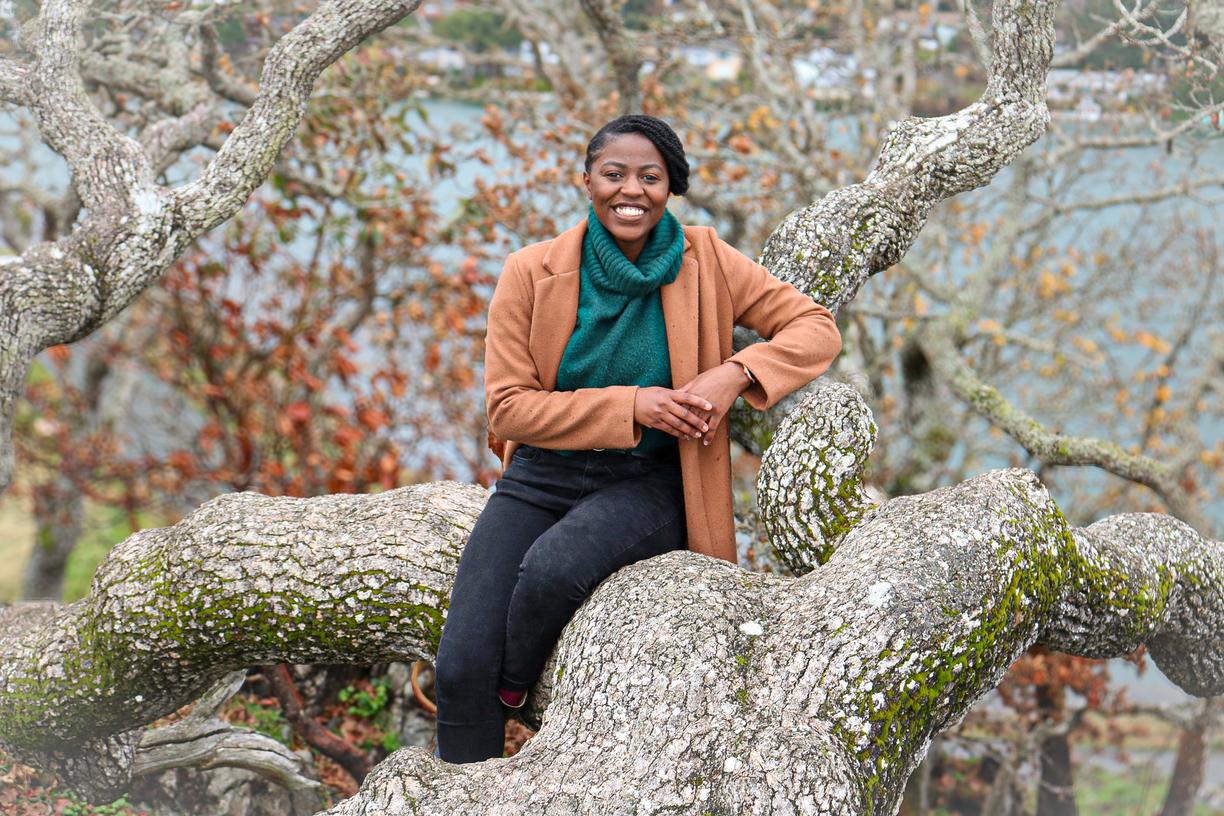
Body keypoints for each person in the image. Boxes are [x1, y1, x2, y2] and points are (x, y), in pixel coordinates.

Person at [433, 115, 842, 763]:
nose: (632, 190)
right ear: (587, 180)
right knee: (457, 672)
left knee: (549, 572)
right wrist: (634, 404)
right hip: (540, 474)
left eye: (650, 177)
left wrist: (737, 373)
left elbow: (815, 327)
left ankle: (512, 689)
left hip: (652, 483)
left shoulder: (708, 260)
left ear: (671, 187)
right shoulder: (530, 271)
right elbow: (509, 410)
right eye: (614, 174)